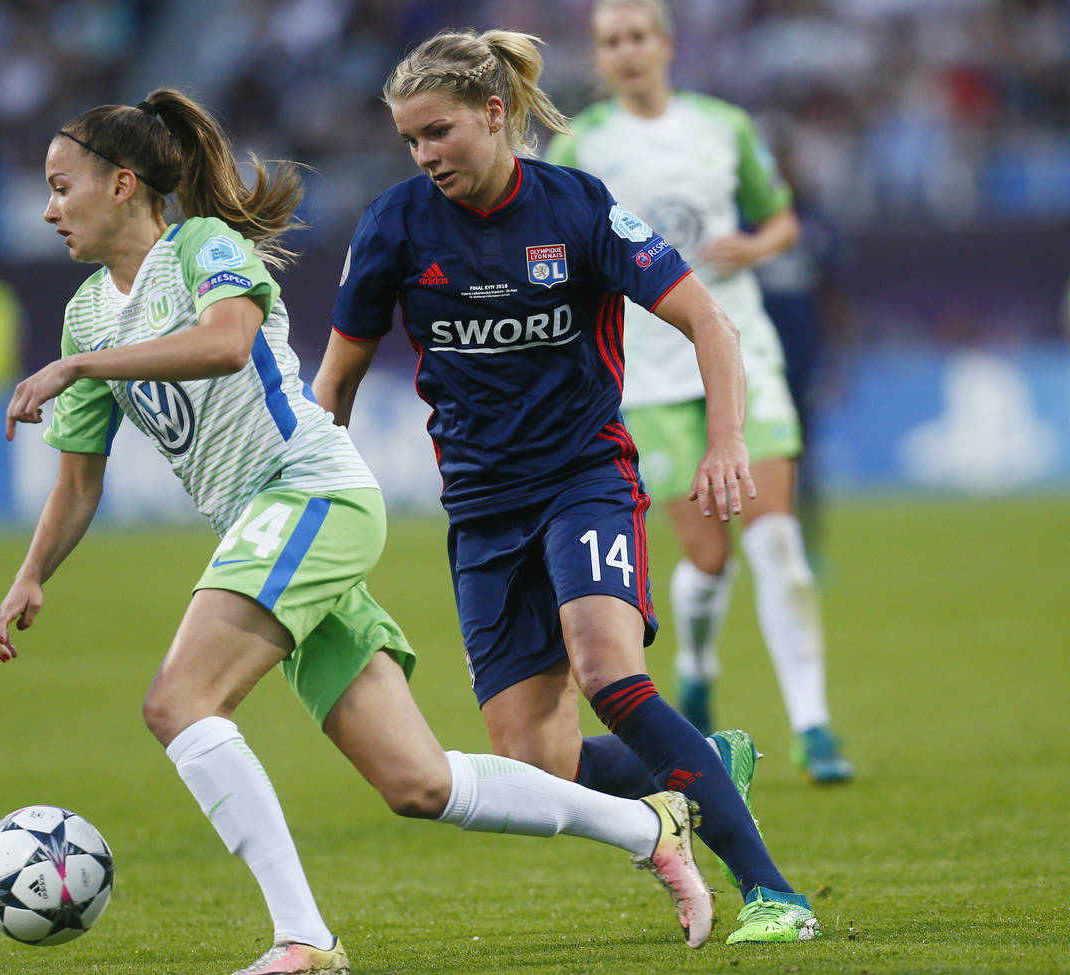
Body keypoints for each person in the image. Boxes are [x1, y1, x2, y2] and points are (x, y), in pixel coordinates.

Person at [0, 87, 719, 975]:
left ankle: (303, 938)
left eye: (62, 186)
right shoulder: (89, 312)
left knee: (178, 703)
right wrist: (32, 575)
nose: (50, 208)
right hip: (262, 528)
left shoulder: (202, 251)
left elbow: (226, 342)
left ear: (123, 184)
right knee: (419, 783)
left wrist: (77, 366)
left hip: (309, 495)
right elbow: (76, 481)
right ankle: (650, 825)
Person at [315, 29, 820, 945]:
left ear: (495, 114)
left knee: (607, 670)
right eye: (410, 141)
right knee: (530, 756)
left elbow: (707, 318)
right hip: (479, 509)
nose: (426, 156)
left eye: (440, 132)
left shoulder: (578, 207)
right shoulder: (393, 225)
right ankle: (704, 764)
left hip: (584, 475)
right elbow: (335, 386)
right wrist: (312, 502)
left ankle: (772, 893)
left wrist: (725, 438)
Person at [544, 0, 853, 782]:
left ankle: (814, 725)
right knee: (709, 557)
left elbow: (782, 219)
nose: (628, 51)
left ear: (666, 45)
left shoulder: (724, 126)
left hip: (739, 357)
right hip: (647, 379)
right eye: (612, 41)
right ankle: (701, 672)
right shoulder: (581, 145)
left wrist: (753, 244)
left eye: (639, 36)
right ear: (600, 56)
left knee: (777, 543)